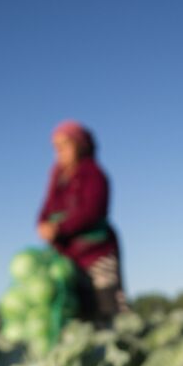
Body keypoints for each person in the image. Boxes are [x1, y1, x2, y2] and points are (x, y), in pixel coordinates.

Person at [37, 120, 126, 325]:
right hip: (69, 257)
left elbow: (91, 212)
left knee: (106, 308)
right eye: (55, 147)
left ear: (80, 145)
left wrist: (60, 228)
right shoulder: (57, 178)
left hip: (96, 253)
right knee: (79, 311)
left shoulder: (95, 175)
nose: (58, 151)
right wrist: (43, 224)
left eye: (64, 145)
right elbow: (46, 209)